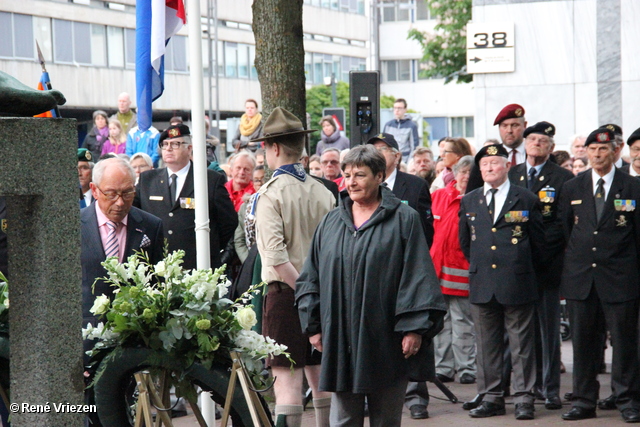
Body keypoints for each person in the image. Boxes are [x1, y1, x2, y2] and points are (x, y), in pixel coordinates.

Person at [296, 145, 446, 427]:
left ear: (380, 176)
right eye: (347, 175)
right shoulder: (331, 221)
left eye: (359, 175)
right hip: (340, 338)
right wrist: (313, 325)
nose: (351, 182)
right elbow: (310, 276)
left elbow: (417, 275)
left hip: (387, 339)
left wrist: (414, 327)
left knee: (386, 419)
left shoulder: (405, 219)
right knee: (343, 419)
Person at [251, 107, 335, 427]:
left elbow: (275, 258)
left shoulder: (270, 194)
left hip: (287, 296)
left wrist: (303, 292)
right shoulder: (323, 191)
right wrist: (315, 294)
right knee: (320, 376)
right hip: (321, 294)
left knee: (287, 384)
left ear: (273, 148)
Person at [558, 127, 640, 423]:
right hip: (582, 279)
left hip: (621, 277)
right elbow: (568, 230)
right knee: (583, 343)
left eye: (603, 149)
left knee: (624, 342)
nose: (596, 154)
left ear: (616, 151)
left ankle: (627, 399)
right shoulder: (573, 187)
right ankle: (583, 400)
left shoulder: (632, 187)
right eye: (592, 149)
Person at [459, 143, 544, 420]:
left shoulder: (527, 198)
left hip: (517, 281)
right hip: (483, 280)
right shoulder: (470, 199)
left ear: (507, 165)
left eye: (494, 163)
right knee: (486, 345)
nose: (489, 168)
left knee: (522, 345)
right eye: (484, 165)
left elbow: (540, 244)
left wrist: (523, 269)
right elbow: (465, 242)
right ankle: (492, 396)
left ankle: (523, 398)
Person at [366, 132, 436, 420]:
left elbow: (427, 233)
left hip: (407, 272)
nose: (378, 153)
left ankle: (417, 396)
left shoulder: (415, 185)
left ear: (396, 156)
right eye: (373, 149)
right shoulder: (364, 187)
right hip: (373, 276)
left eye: (383, 149)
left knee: (413, 331)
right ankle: (373, 392)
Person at [508, 122, 575, 410]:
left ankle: (550, 389)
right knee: (522, 331)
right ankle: (527, 386)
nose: (536, 144)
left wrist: (538, 251)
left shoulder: (562, 177)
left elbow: (562, 222)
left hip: (546, 265)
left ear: (551, 147)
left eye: (542, 140)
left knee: (548, 332)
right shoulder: (512, 174)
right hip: (516, 265)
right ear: (525, 143)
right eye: (532, 139)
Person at [81, 157, 164, 358]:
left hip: (135, 339)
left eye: (127, 193)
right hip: (85, 337)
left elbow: (158, 282)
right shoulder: (73, 226)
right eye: (111, 194)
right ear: (94, 190)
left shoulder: (151, 226)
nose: (120, 202)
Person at [134, 124, 237, 271]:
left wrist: (209, 246)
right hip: (158, 266)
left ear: (189, 148)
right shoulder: (147, 180)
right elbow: (136, 216)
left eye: (175, 144)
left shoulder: (209, 179)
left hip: (196, 266)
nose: (168, 148)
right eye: (165, 145)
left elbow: (228, 221)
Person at [430, 155, 477, 388]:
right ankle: (443, 367)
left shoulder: (476, 200)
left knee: (462, 322)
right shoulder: (437, 197)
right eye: (463, 171)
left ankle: (467, 367)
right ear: (455, 173)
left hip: (461, 272)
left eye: (470, 172)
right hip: (436, 273)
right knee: (440, 324)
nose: (466, 176)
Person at [383, 98, 420, 163]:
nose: (397, 110)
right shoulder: (388, 125)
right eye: (395, 108)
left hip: (405, 160)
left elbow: (414, 147)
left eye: (399, 108)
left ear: (405, 109)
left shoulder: (412, 126)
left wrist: (409, 163)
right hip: (390, 160)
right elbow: (383, 144)